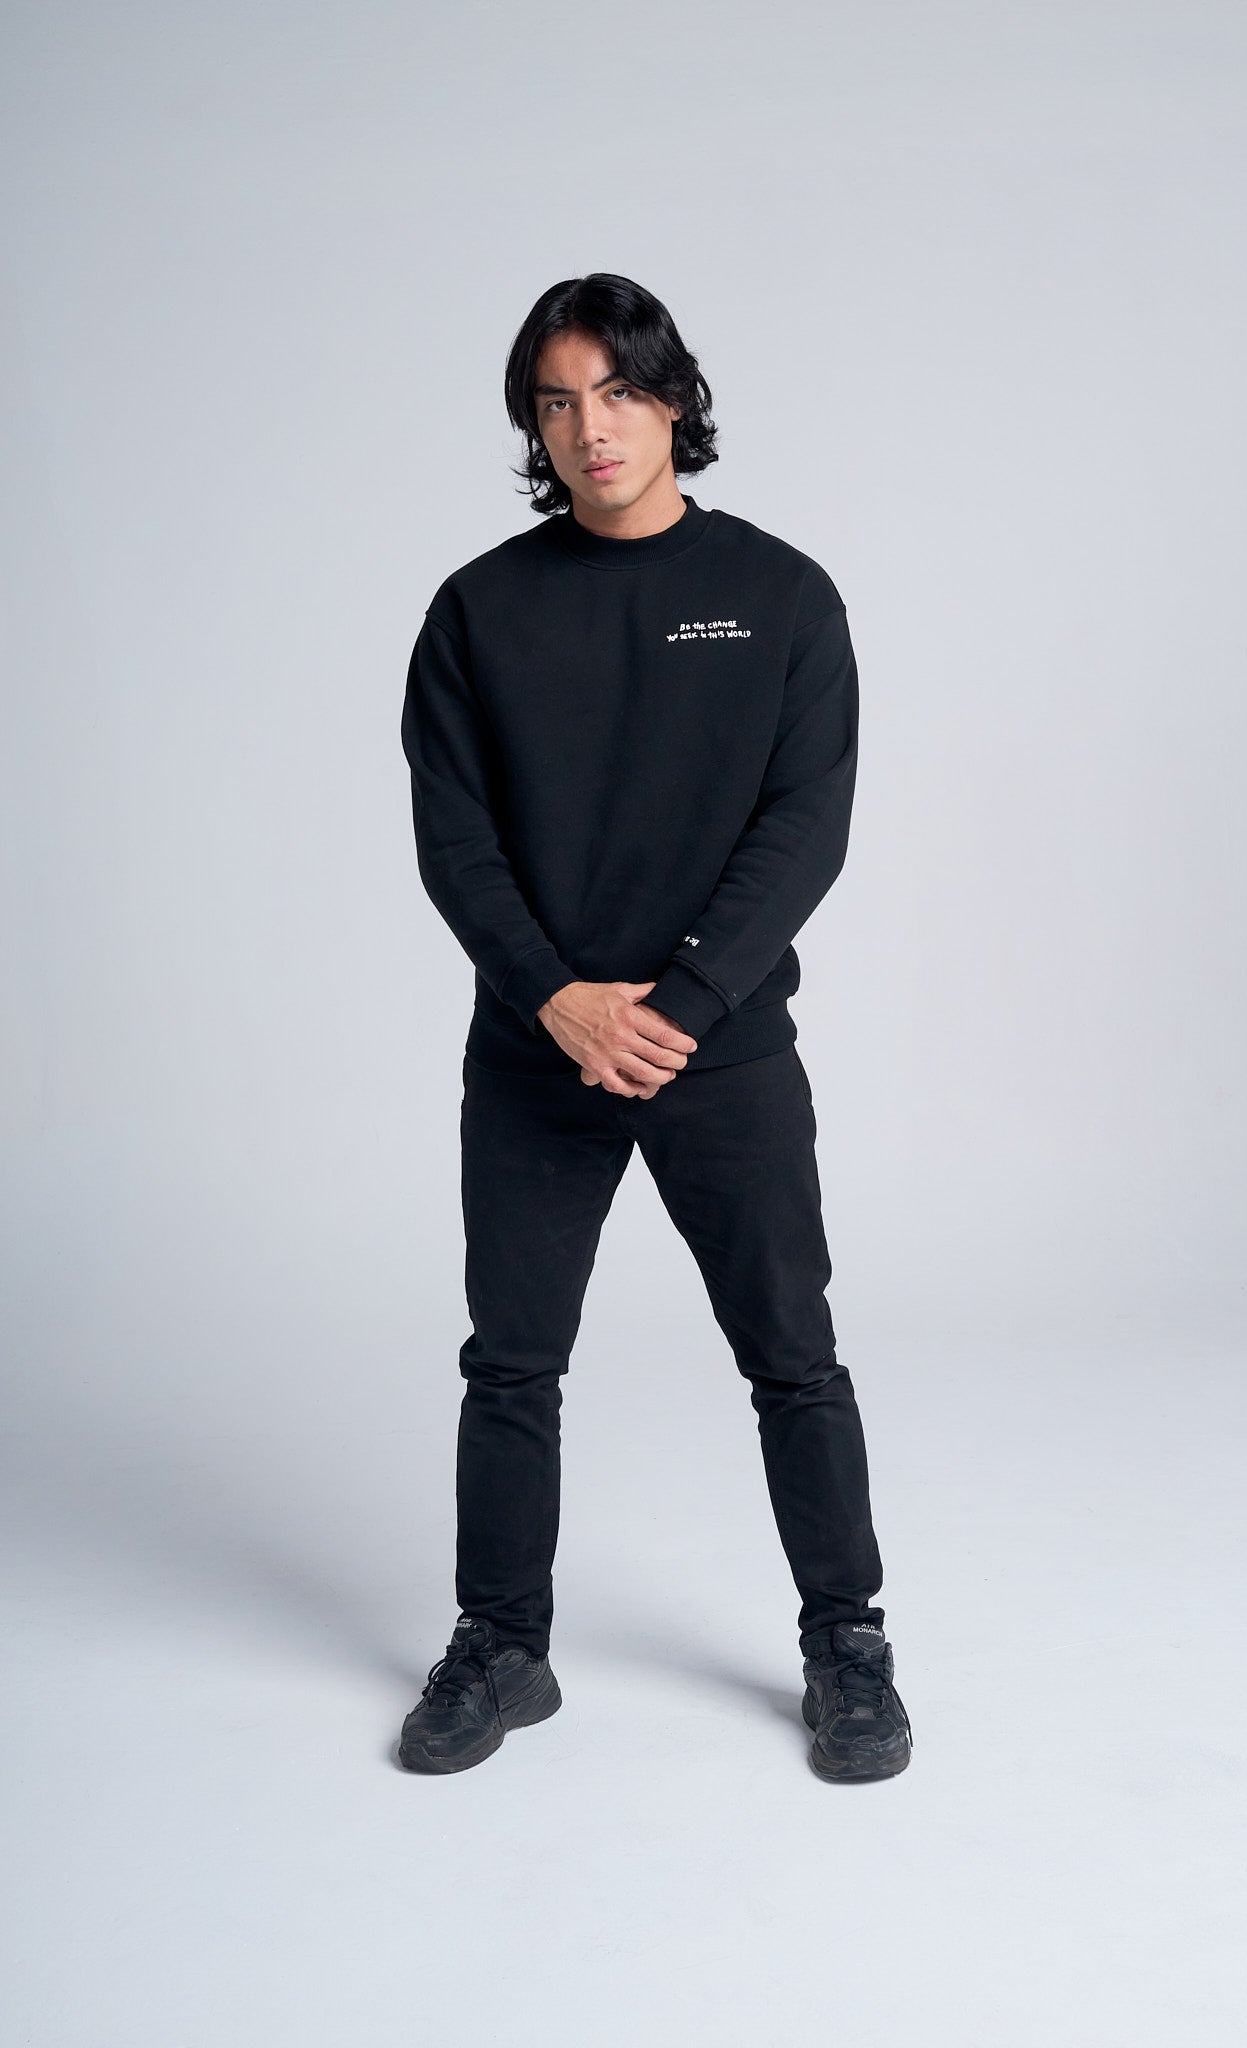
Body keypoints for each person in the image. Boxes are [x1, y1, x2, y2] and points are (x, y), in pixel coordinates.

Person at [397, 272, 911, 1782]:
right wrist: (556, 998)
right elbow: (453, 838)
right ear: (533, 426)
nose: (591, 429)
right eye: (557, 403)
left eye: (619, 392)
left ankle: (848, 1644)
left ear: (676, 399)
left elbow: (802, 829)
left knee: (793, 1356)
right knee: (511, 1362)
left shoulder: (783, 596)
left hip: (719, 1050)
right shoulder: (478, 611)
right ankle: (502, 1645)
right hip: (536, 1049)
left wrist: (676, 1008)